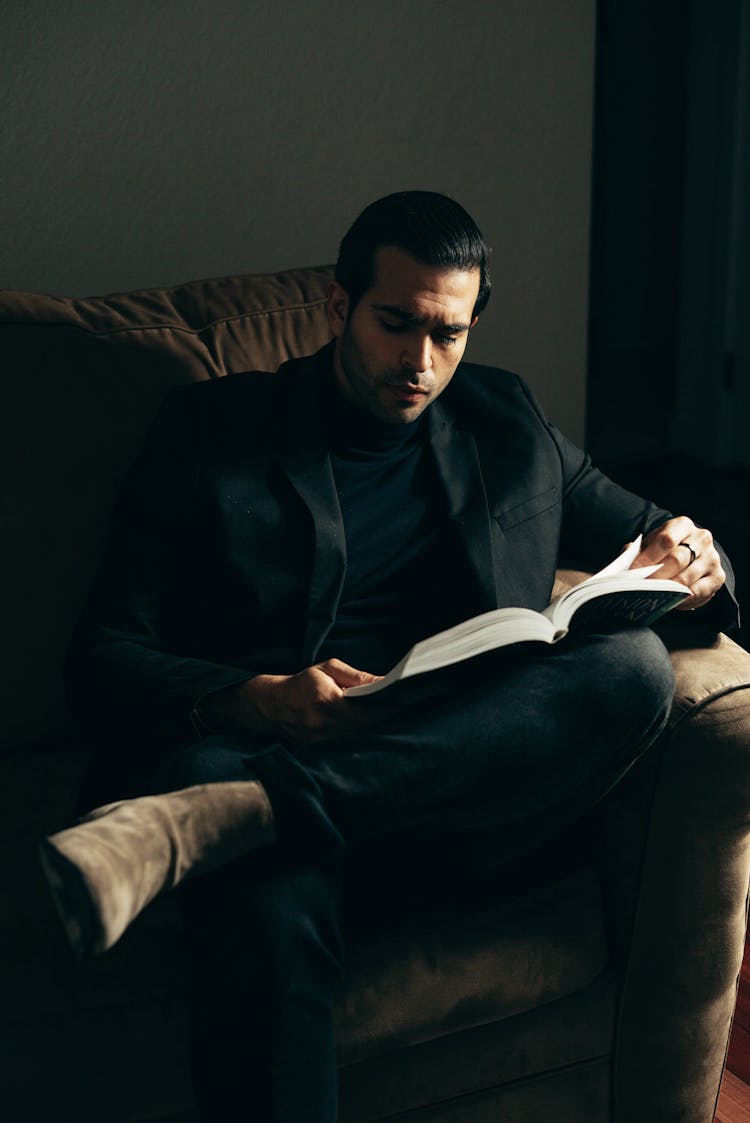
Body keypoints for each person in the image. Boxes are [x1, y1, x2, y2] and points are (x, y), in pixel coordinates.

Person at [40, 191, 736, 1122]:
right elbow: (103, 659)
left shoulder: (506, 418)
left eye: (447, 334)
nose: (419, 361)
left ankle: (252, 815)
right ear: (339, 307)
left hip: (453, 780)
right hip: (264, 742)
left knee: (634, 670)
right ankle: (255, 809)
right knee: (266, 897)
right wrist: (260, 699)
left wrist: (696, 555)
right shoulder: (211, 429)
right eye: (395, 323)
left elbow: (650, 530)